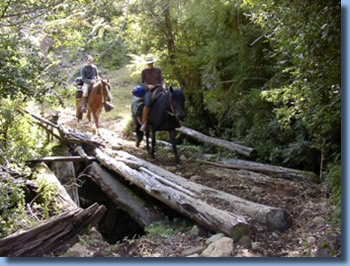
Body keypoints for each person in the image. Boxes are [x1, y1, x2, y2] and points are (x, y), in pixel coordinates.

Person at [140, 54, 166, 132]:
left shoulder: (158, 70)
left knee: (168, 98)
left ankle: (172, 119)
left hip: (159, 87)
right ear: (147, 64)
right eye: (149, 63)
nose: (150, 64)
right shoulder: (144, 72)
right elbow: (142, 82)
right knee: (147, 103)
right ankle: (144, 123)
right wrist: (148, 86)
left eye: (151, 63)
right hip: (149, 90)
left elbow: (161, 79)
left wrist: (163, 85)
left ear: (153, 63)